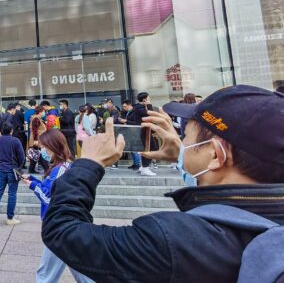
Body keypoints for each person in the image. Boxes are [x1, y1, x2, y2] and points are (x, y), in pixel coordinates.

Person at [43, 85, 284, 282]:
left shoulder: (172, 241)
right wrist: (183, 157)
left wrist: (88, 164)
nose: (181, 140)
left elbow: (62, 230)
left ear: (215, 154)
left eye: (187, 136)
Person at [22, 129, 93, 283]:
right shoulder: (63, 166)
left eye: (44, 147)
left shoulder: (61, 169)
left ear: (53, 146)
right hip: (67, 225)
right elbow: (52, 191)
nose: (42, 151)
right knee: (80, 269)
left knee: (45, 274)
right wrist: (34, 181)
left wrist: (33, 186)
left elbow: (50, 199)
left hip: (59, 226)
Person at [0, 123, 24, 225]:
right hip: (13, 170)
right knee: (12, 194)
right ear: (11, 130)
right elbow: (22, 157)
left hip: (1, 169)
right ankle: (10, 218)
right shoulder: (15, 141)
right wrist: (19, 167)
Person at [134, 92, 157, 176]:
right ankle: (145, 167)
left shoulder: (140, 107)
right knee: (149, 149)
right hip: (144, 131)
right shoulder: (139, 108)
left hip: (146, 130)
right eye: (148, 98)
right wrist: (149, 105)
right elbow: (150, 114)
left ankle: (143, 167)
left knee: (149, 148)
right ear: (145, 99)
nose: (149, 99)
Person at [120, 100, 141, 170]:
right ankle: (135, 163)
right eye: (123, 106)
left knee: (135, 149)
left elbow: (136, 122)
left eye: (125, 106)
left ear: (129, 105)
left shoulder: (134, 112)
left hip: (135, 132)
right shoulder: (127, 112)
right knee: (131, 149)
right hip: (130, 132)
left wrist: (126, 121)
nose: (123, 108)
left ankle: (138, 164)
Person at [28, 106, 49, 174]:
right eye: (43, 111)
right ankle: (47, 169)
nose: (44, 113)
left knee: (36, 154)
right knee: (41, 154)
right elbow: (35, 130)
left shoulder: (38, 118)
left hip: (37, 139)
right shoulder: (36, 119)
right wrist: (35, 140)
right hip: (37, 140)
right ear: (40, 112)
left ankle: (31, 169)